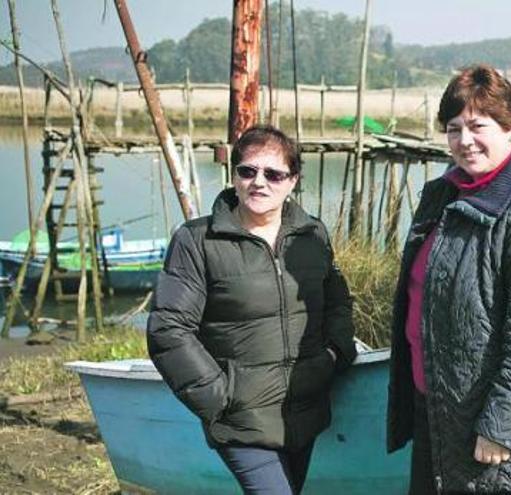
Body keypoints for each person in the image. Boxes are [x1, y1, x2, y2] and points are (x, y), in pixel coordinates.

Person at [386, 64, 511, 494]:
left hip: (496, 430)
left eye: (478, 126)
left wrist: (502, 425)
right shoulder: (444, 194)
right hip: (440, 409)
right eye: (454, 128)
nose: (464, 140)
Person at [147, 125, 356, 494]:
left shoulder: (312, 235)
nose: (259, 182)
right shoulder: (197, 241)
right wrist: (218, 395)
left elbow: (337, 301)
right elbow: (169, 328)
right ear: (234, 176)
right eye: (248, 171)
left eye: (274, 174)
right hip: (241, 417)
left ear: (293, 181)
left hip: (303, 410)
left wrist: (334, 354)